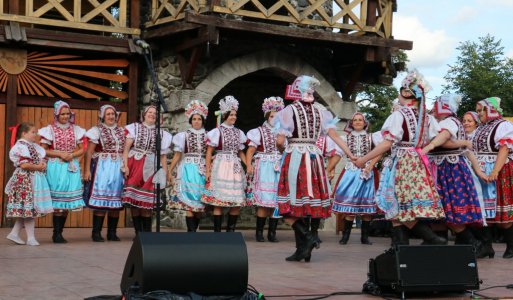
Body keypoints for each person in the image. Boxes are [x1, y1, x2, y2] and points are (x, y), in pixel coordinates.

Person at [354, 69, 447, 246]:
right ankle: (402, 250)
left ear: (405, 93)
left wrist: (363, 159)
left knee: (399, 207)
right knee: (399, 209)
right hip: (418, 162)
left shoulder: (399, 115)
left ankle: (432, 239)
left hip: (403, 162)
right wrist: (426, 148)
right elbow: (440, 135)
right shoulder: (426, 117)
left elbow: (387, 143)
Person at [273, 75, 355, 262]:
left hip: (295, 156)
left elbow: (279, 140)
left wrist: (283, 150)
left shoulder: (288, 110)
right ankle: (303, 250)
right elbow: (335, 136)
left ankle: (308, 239)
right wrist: (351, 155)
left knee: (290, 205)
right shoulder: (322, 112)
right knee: (309, 203)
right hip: (314, 158)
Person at [423, 94, 487, 254]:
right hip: (443, 166)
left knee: (449, 209)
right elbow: (466, 150)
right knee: (441, 210)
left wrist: (427, 148)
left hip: (448, 168)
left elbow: (443, 139)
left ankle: (474, 243)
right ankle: (438, 243)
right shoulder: (447, 121)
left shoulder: (449, 122)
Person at [39, 100, 86, 243]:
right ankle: (56, 233)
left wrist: (72, 155)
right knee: (58, 203)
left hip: (71, 165)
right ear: (57, 114)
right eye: (63, 114)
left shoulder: (76, 129)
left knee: (66, 202)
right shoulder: (50, 130)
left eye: (68, 113)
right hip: (56, 166)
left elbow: (82, 148)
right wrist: (60, 154)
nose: (66, 116)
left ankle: (59, 232)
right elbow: (43, 150)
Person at [331, 112, 382, 245]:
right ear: (351, 123)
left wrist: (370, 166)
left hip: (367, 173)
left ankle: (364, 237)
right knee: (350, 205)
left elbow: (380, 152)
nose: (358, 122)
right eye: (355, 120)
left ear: (365, 123)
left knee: (367, 208)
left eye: (360, 120)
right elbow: (338, 155)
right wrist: (329, 168)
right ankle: (345, 236)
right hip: (351, 173)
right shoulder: (345, 138)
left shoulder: (372, 137)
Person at [472, 97, 513, 258]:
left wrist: (496, 170)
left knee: (502, 209)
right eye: (477, 110)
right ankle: (487, 246)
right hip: (482, 171)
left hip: (499, 169)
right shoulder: (482, 127)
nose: (479, 113)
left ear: (490, 109)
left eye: (481, 110)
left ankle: (511, 245)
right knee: (484, 210)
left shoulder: (503, 125)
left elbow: (504, 149)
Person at [122, 105, 172, 234]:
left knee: (148, 200)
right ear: (144, 114)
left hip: (151, 166)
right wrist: (125, 165)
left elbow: (163, 155)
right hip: (135, 163)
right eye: (149, 112)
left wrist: (165, 172)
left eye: (155, 113)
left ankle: (147, 233)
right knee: (134, 199)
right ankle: (138, 233)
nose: (152, 114)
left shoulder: (161, 133)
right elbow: (126, 149)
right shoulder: (134, 128)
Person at [202, 96, 247, 232]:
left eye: (235, 114)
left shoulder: (239, 133)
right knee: (218, 201)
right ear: (225, 115)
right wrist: (208, 170)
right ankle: (217, 232)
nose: (234, 117)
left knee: (236, 201)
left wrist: (248, 165)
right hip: (220, 164)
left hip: (234, 166)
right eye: (231, 114)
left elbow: (241, 152)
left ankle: (230, 231)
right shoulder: (217, 132)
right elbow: (209, 152)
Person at [5, 123, 53, 246]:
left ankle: (14, 233)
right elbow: (24, 165)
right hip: (25, 180)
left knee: (26, 210)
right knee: (29, 209)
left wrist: (42, 164)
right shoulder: (21, 146)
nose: (35, 135)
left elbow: (38, 159)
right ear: (24, 133)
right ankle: (31, 238)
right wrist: (38, 167)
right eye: (33, 132)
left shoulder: (31, 146)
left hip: (31, 179)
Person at [83, 105, 126, 242]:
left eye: (113, 114)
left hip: (118, 167)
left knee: (116, 199)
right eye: (108, 114)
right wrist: (86, 170)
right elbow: (89, 152)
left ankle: (112, 232)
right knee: (102, 199)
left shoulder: (122, 131)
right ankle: (96, 232)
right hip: (102, 166)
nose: (111, 116)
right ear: (102, 116)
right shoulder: (97, 130)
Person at [246, 96, 285, 242]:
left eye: (277, 116)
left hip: (278, 166)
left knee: (275, 200)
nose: (274, 118)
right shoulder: (258, 131)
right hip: (264, 166)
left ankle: (272, 233)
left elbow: (285, 151)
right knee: (264, 200)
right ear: (267, 116)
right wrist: (249, 165)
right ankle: (259, 232)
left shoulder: (283, 133)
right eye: (272, 116)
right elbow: (250, 150)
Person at [168, 100, 209, 232]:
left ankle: (194, 231)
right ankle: (191, 233)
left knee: (199, 204)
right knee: (188, 203)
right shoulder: (183, 136)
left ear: (202, 121)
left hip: (202, 170)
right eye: (194, 119)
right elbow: (177, 155)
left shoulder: (209, 136)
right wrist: (170, 170)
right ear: (190, 121)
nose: (197, 121)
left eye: (199, 119)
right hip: (187, 169)